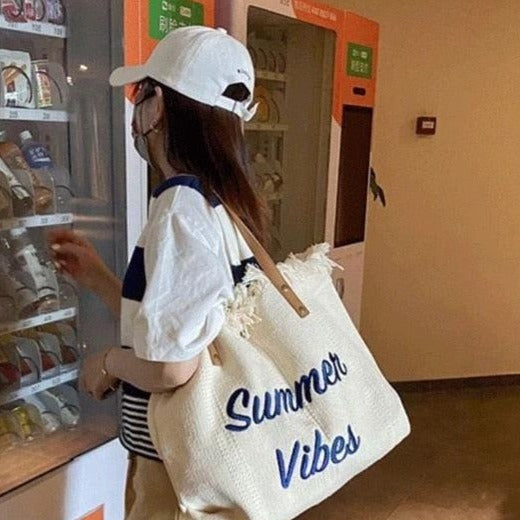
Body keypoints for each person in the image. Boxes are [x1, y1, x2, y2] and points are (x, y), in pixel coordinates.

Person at [49, 26, 267, 519]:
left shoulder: (180, 207)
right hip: (216, 454)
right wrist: (102, 279)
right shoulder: (225, 199)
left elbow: (171, 368)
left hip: (174, 467)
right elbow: (182, 325)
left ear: (159, 106)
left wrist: (108, 362)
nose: (134, 114)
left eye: (139, 94)